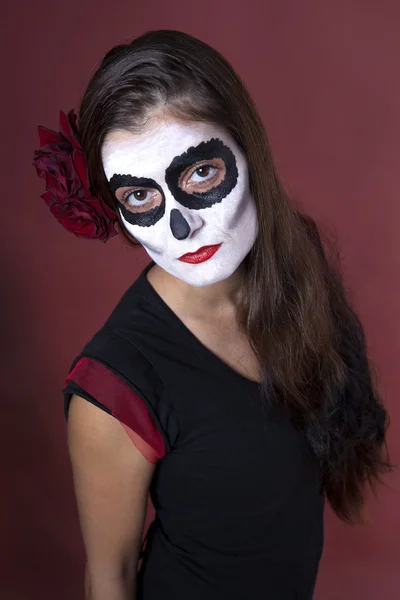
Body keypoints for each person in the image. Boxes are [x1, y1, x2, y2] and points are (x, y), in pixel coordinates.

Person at [33, 29, 392, 600]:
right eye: (140, 198)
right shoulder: (115, 387)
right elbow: (110, 580)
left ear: (247, 148)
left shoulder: (296, 262)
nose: (181, 228)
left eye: (200, 173)